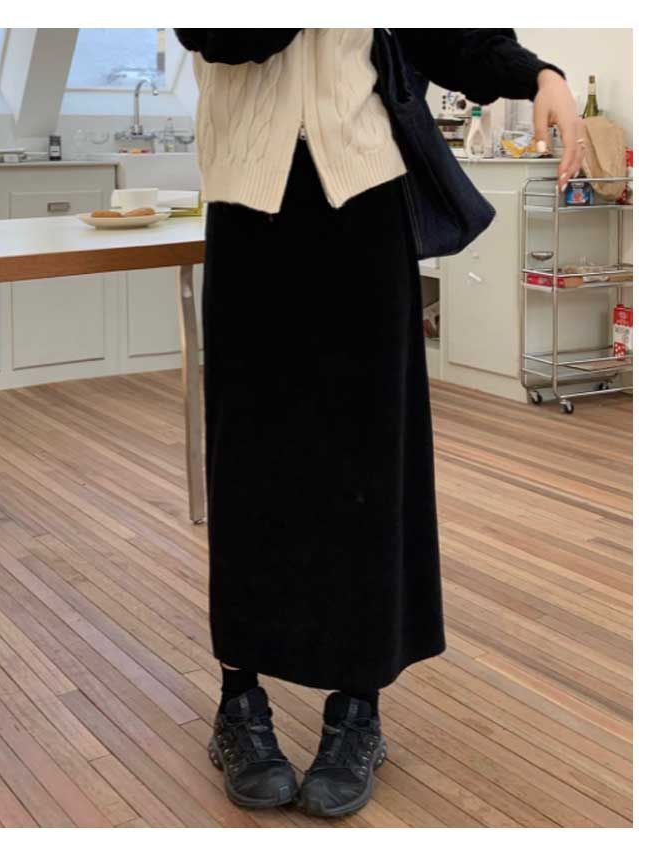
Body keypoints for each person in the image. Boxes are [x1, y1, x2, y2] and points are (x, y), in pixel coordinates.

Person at [174, 28, 583, 818]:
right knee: (248, 465)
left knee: (370, 462)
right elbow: (224, 35)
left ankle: (357, 710)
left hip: (365, 206)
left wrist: (539, 74)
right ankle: (239, 704)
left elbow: (446, 31)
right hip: (249, 210)